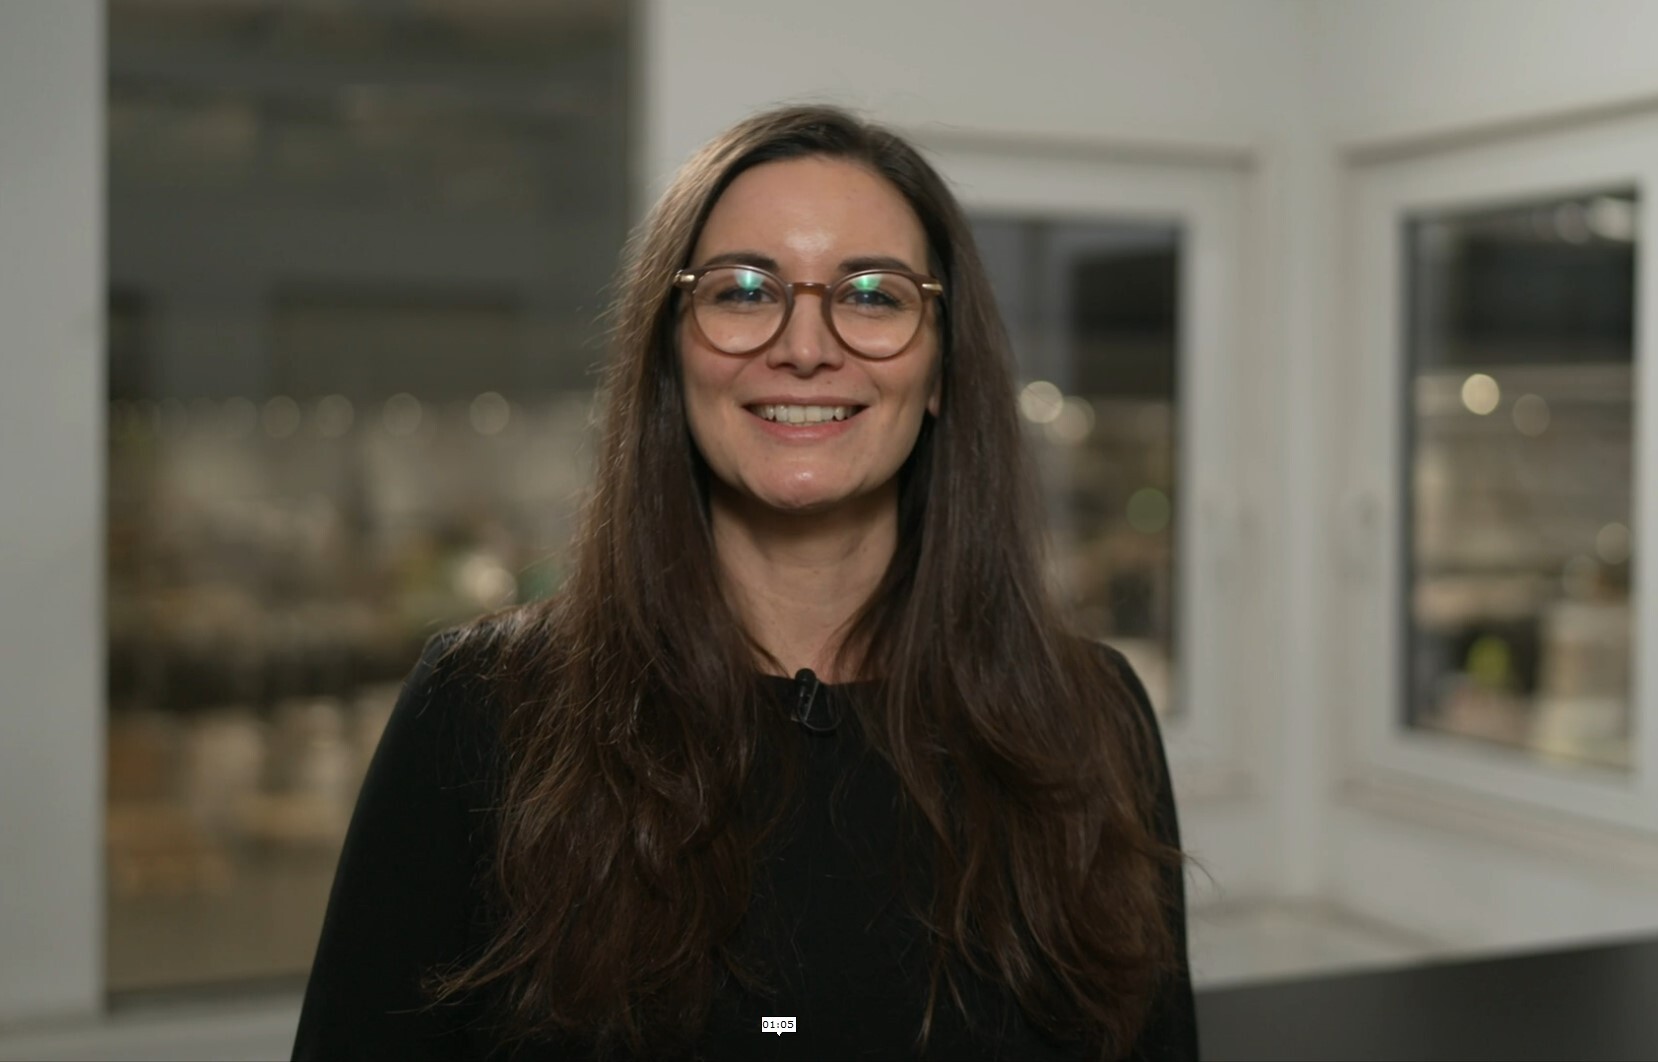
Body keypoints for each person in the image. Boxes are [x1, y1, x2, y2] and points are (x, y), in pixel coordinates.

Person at [292, 104, 1196, 1061]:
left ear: (942, 369)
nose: (805, 346)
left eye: (873, 295)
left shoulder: (1092, 724)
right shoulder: (483, 713)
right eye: (744, 290)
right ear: (671, 354)